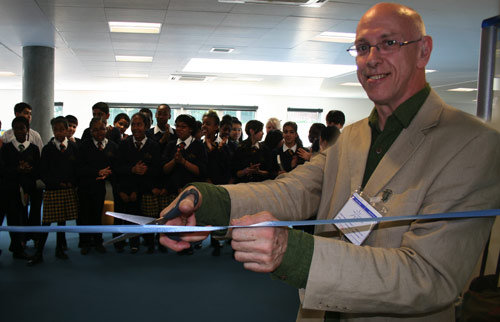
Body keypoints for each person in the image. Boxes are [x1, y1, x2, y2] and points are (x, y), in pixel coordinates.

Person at [158, 3, 500, 321]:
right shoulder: (352, 137)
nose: (372, 58)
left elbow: (430, 277)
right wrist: (209, 200)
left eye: (388, 43)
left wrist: (295, 254)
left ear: (423, 50)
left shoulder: (472, 144)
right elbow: (295, 191)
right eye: (362, 47)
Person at [29, 117, 79, 266]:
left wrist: (71, 182)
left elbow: (76, 168)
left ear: (66, 130)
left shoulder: (73, 148)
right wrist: (56, 182)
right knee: (46, 222)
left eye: (61, 129)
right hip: (52, 190)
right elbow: (43, 172)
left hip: (68, 189)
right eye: (55, 130)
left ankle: (59, 248)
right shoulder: (48, 149)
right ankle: (39, 252)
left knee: (62, 221)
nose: (59, 132)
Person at [115, 113, 161, 254]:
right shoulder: (124, 144)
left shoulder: (154, 145)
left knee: (146, 218)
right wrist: (132, 169)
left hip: (146, 189)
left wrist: (146, 170)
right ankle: (125, 242)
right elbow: (117, 168)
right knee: (127, 217)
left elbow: (159, 169)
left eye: (139, 124)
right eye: (133, 125)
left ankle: (147, 242)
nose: (135, 128)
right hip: (127, 188)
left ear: (146, 126)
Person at [77, 117, 118, 255]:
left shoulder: (112, 146)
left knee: (97, 214)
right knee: (85, 215)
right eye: (95, 130)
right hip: (85, 185)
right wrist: (97, 172)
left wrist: (107, 173)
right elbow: (79, 167)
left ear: (106, 129)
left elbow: (116, 166)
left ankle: (98, 241)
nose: (99, 132)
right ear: (90, 131)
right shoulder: (84, 146)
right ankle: (85, 242)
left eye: (102, 128)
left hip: (101, 187)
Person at [1, 116, 40, 260]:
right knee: (13, 219)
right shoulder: (6, 148)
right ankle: (16, 246)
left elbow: (37, 170)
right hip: (9, 190)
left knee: (22, 218)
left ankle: (20, 245)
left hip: (27, 190)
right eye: (16, 129)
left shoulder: (34, 149)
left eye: (22, 128)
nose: (19, 132)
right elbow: (3, 170)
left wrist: (28, 169)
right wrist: (17, 169)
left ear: (27, 130)